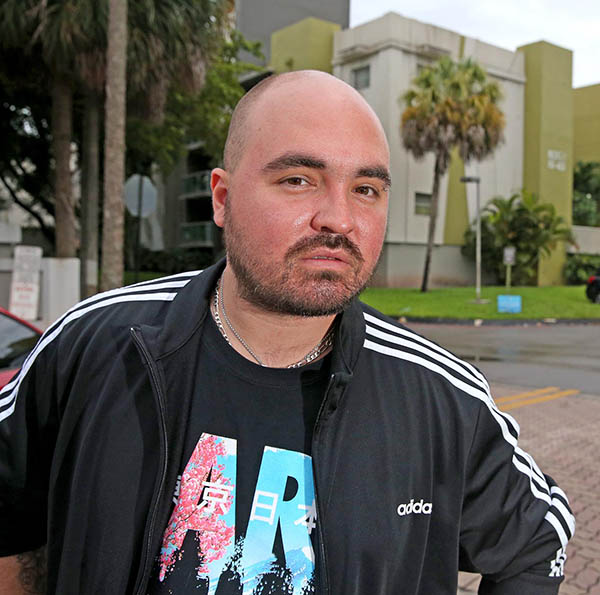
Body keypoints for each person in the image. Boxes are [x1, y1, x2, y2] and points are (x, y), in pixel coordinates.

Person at [0, 70, 574, 595]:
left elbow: (537, 539)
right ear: (222, 199)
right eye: (299, 179)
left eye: (366, 189)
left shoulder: (442, 399)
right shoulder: (95, 346)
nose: (339, 218)